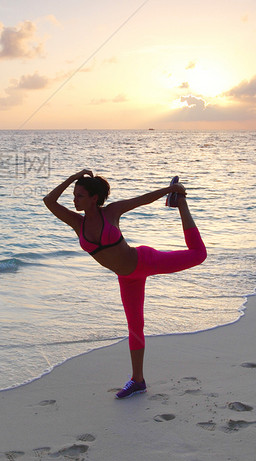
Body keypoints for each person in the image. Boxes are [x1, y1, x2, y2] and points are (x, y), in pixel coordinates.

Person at [43, 169, 207, 399]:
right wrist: (74, 177)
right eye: (74, 195)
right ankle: (137, 381)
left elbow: (142, 200)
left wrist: (171, 190)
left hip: (145, 261)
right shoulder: (76, 222)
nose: (74, 200)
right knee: (135, 326)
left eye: (79, 195)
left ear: (94, 198)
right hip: (127, 278)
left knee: (199, 255)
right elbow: (49, 201)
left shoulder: (111, 213)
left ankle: (180, 205)